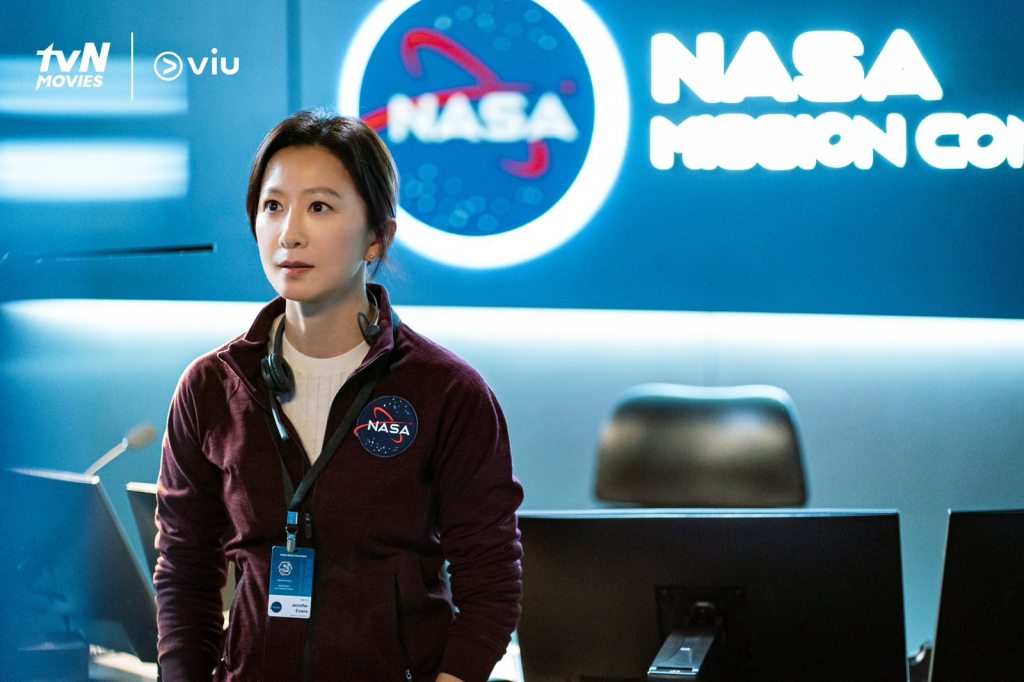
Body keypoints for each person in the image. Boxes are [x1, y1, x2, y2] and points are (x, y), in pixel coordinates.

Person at [154, 110, 524, 682]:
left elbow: (491, 586)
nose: (290, 233)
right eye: (273, 206)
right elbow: (183, 571)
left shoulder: (448, 392)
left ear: (377, 236)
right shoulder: (211, 386)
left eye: (320, 207)